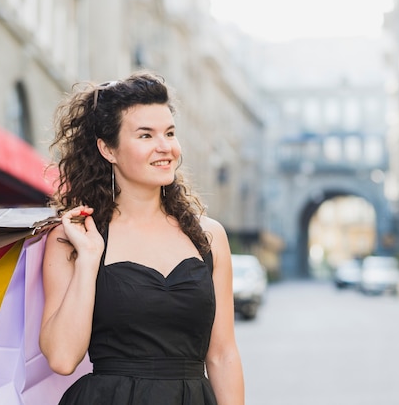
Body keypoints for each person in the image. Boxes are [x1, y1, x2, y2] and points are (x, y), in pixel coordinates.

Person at [39, 71, 245, 404]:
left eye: (170, 133)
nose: (166, 148)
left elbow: (222, 355)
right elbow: (62, 358)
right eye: (146, 136)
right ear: (108, 149)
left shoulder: (209, 236)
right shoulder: (74, 239)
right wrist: (90, 259)